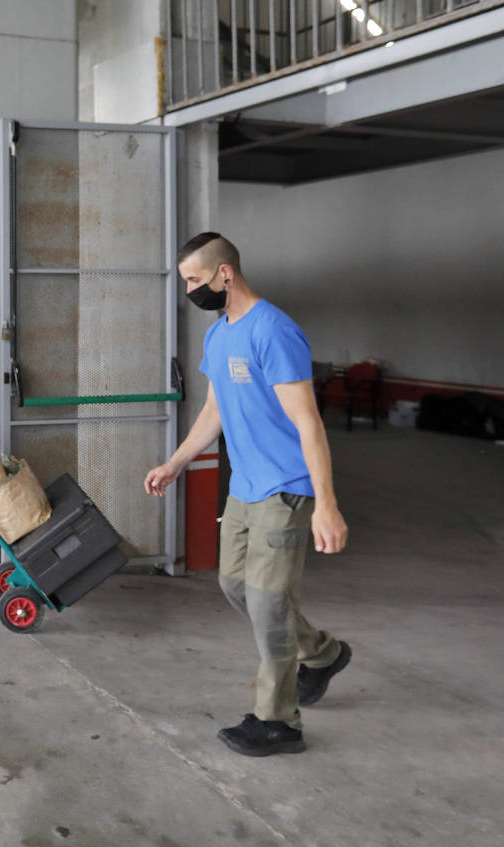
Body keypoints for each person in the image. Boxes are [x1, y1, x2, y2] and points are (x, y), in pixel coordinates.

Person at [145, 232, 351, 757]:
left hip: (285, 489)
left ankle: (278, 722)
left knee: (268, 604)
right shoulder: (220, 335)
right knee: (236, 586)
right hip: (244, 489)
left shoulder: (274, 332)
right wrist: (176, 462)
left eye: (194, 279)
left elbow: (309, 424)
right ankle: (322, 654)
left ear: (225, 274)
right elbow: (214, 411)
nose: (190, 289)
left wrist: (326, 503)